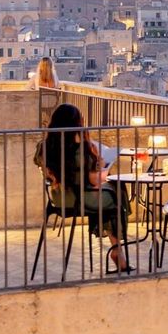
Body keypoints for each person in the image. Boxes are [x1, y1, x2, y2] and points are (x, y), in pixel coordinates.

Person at [34, 103, 130, 272]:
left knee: (109, 198)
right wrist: (102, 165)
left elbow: (40, 165)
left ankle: (115, 248)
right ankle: (117, 250)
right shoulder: (83, 150)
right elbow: (93, 181)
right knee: (118, 194)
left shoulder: (43, 147)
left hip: (58, 197)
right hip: (82, 198)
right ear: (77, 124)